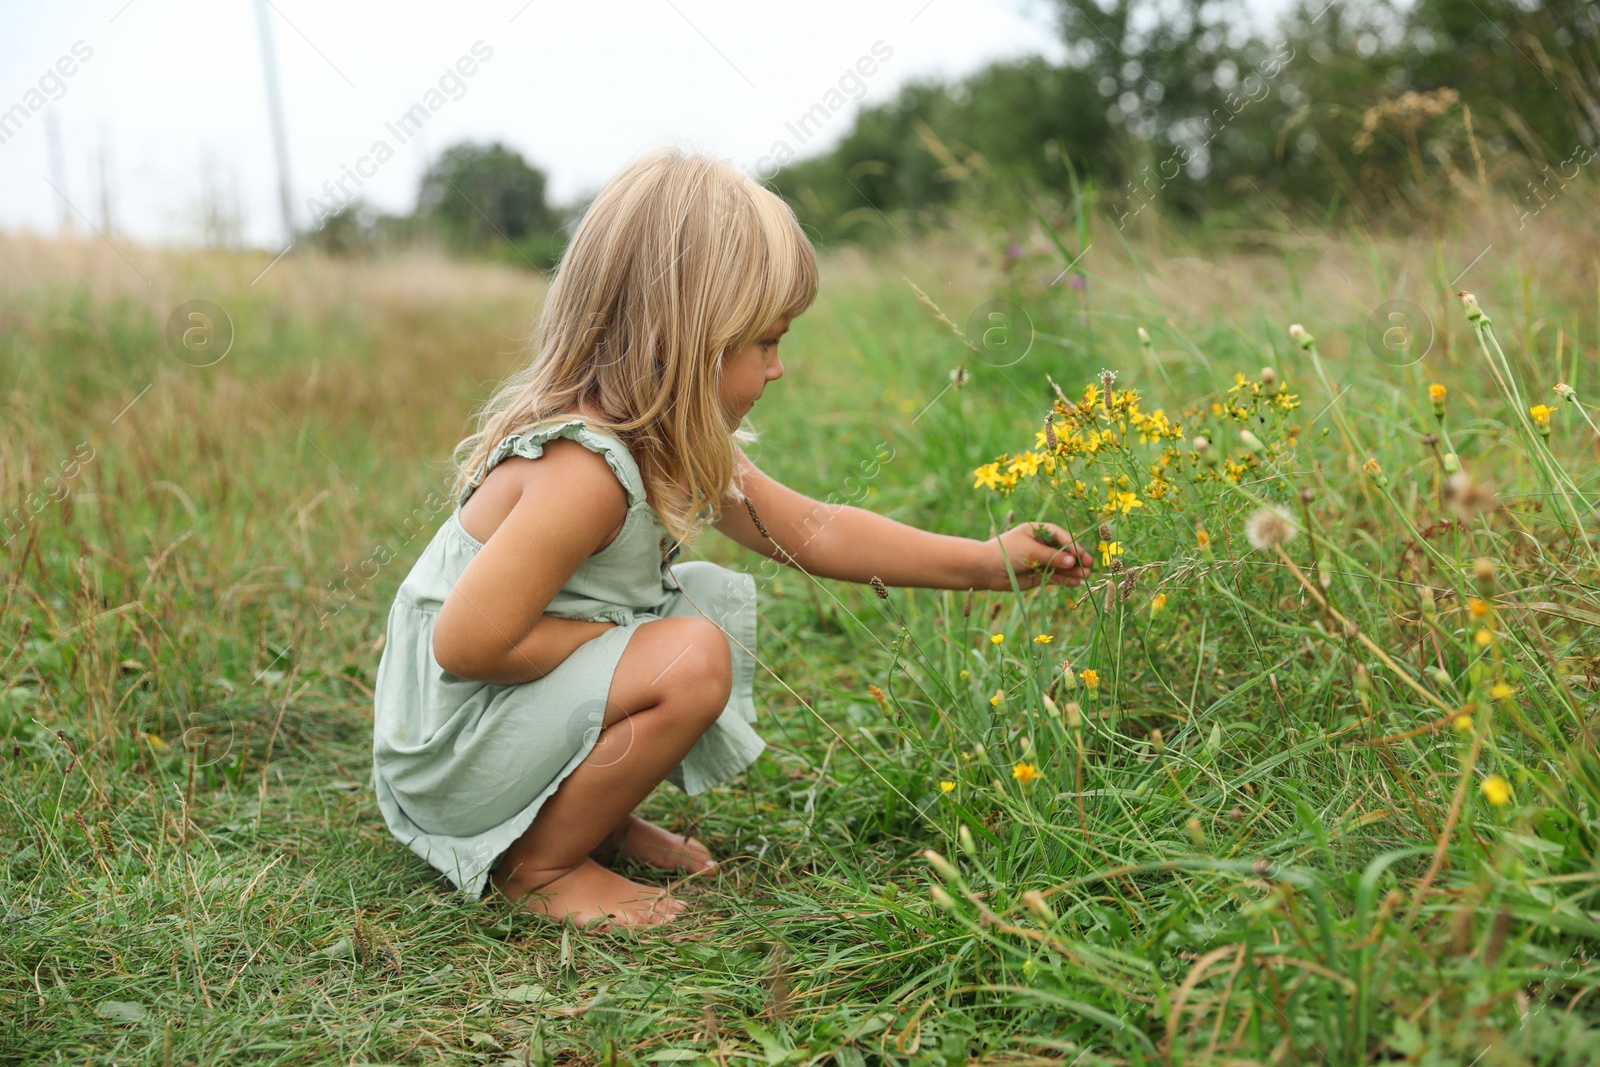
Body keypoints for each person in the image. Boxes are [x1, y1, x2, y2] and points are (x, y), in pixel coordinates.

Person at [370, 147, 1093, 935]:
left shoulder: (669, 446)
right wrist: (621, 639)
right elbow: (467, 644)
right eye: (766, 343)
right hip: (453, 752)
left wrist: (985, 562)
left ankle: (586, 821)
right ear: (681, 342)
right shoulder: (584, 472)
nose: (779, 368)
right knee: (685, 651)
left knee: (680, 621)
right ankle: (538, 866)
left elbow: (815, 530)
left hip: (500, 720)